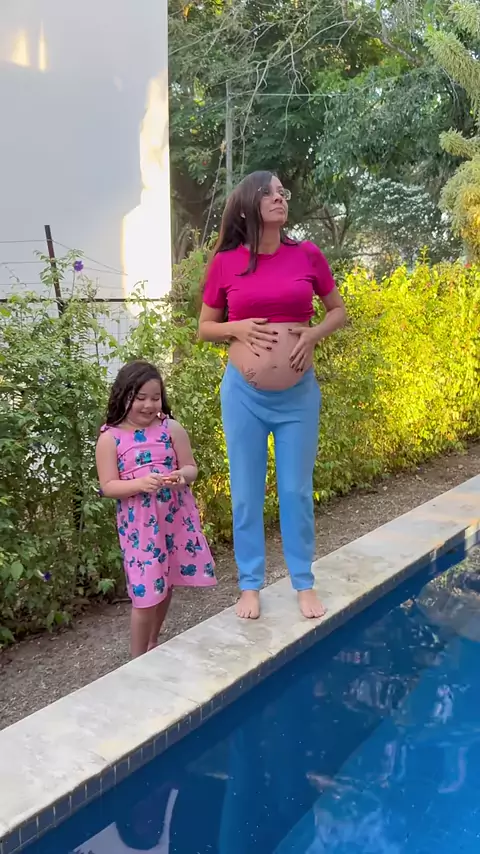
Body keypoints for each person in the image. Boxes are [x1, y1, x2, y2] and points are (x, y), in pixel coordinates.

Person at [199, 170, 346, 620]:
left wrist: (313, 334)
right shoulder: (226, 262)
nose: (280, 198)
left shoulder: (307, 254)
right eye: (270, 193)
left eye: (283, 192)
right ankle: (250, 585)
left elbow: (338, 312)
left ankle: (303, 581)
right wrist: (238, 327)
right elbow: (205, 327)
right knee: (246, 493)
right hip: (243, 396)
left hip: (298, 396)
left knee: (296, 491)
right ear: (248, 206)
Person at [96, 360, 216, 658]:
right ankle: (136, 661)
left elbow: (191, 468)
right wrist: (139, 484)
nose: (149, 405)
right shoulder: (110, 438)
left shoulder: (171, 429)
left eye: (155, 397)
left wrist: (181, 476)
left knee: (166, 582)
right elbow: (108, 486)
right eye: (140, 398)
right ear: (123, 396)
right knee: (145, 593)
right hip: (140, 528)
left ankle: (153, 642)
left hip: (174, 519)